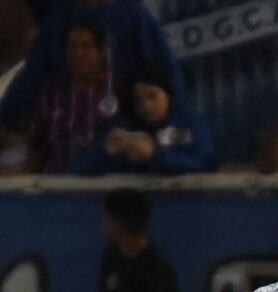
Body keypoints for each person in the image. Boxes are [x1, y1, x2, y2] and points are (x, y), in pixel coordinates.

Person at [0, 0, 185, 132]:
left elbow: (167, 79)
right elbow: (32, 77)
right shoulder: (59, 20)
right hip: (67, 140)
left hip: (122, 139)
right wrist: (5, 118)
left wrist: (174, 124)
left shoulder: (133, 16)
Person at [69, 68, 215, 174]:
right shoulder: (123, 127)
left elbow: (205, 163)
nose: (146, 106)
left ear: (167, 95)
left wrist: (155, 155)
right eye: (139, 101)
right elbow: (78, 168)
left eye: (152, 96)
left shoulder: (188, 125)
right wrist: (105, 152)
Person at [22, 19, 117, 173]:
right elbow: (38, 148)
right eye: (72, 47)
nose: (78, 53)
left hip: (106, 186)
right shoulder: (52, 92)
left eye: (86, 47)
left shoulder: (117, 89)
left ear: (102, 52)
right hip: (60, 187)